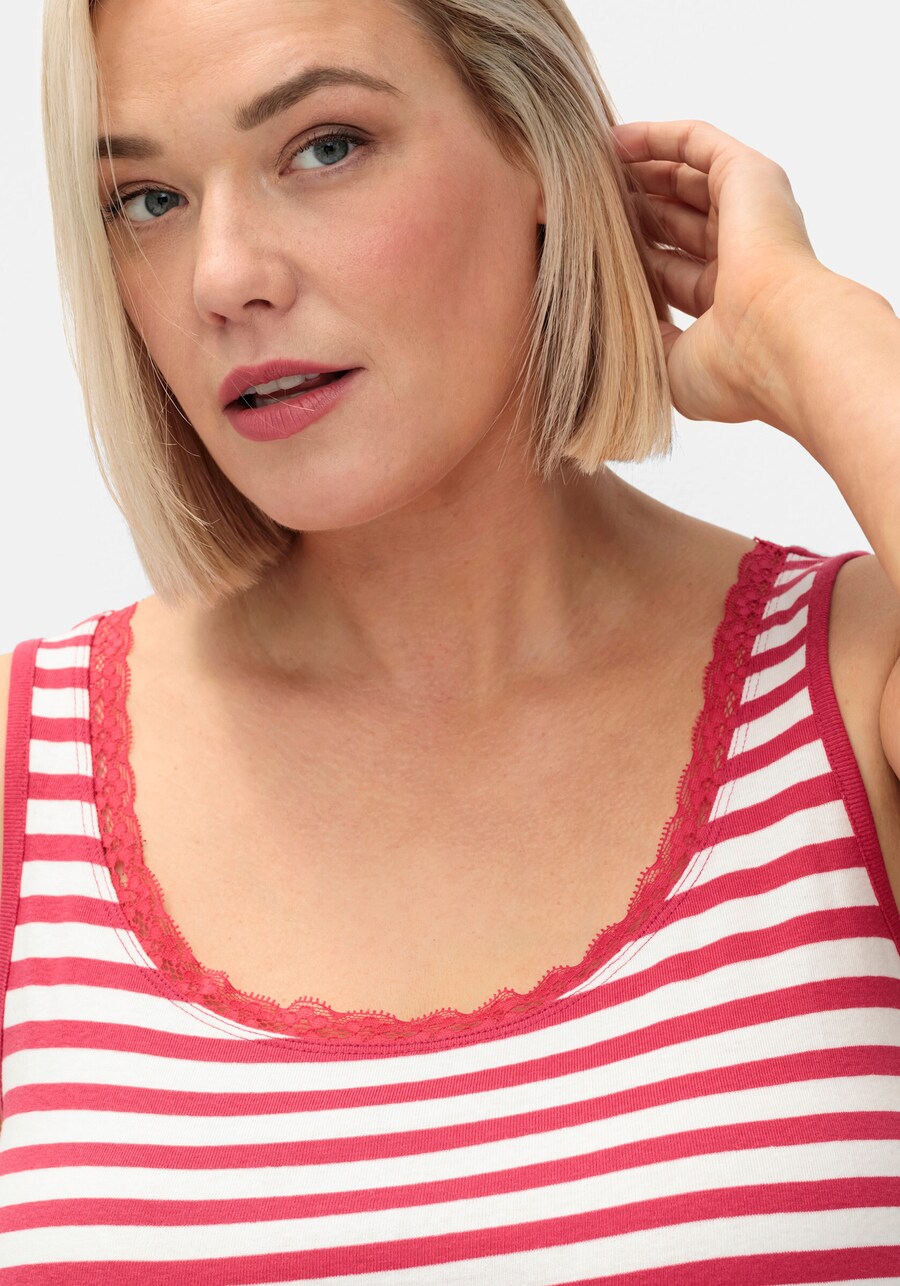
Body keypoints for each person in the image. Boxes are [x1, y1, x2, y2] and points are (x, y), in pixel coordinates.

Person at [1, 0, 898, 1277]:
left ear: (541, 147)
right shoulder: (25, 778)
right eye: (148, 199)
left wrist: (806, 329)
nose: (222, 276)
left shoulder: (851, 696)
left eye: (324, 147)